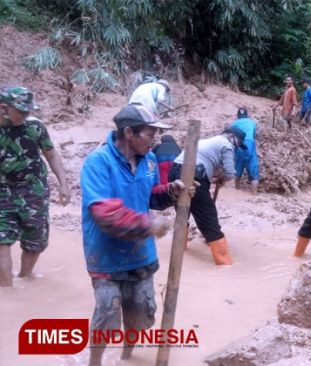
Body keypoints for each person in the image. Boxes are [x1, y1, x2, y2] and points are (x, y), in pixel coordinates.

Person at [80, 104, 192, 365]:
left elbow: (150, 197)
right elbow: (104, 213)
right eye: (150, 134)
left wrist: (170, 193)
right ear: (128, 133)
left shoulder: (150, 160)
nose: (155, 140)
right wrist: (147, 225)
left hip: (141, 255)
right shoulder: (98, 162)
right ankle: (94, 362)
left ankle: (126, 357)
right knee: (107, 316)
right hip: (106, 256)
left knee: (140, 316)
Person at [0, 86, 70, 287]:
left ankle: (24, 277)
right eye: (21, 111)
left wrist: (63, 184)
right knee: (2, 242)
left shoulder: (35, 127)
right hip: (2, 192)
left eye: (28, 110)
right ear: (4, 108)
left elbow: (51, 155)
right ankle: (8, 293)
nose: (26, 114)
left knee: (35, 241)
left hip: (33, 190)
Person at [169, 126, 247, 265]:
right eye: (238, 143)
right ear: (231, 137)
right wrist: (223, 178)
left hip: (175, 171)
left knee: (182, 213)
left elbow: (209, 163)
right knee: (209, 219)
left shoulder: (208, 142)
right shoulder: (227, 145)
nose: (237, 147)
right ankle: (225, 263)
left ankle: (180, 250)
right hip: (195, 175)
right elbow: (230, 173)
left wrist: (217, 174)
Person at [231, 108, 259, 194]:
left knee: (238, 168)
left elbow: (232, 137)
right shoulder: (252, 122)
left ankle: (237, 190)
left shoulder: (234, 123)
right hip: (250, 144)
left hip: (240, 144)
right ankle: (254, 193)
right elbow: (253, 135)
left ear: (238, 116)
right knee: (253, 167)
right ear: (247, 115)